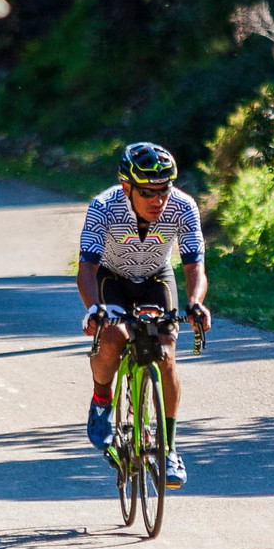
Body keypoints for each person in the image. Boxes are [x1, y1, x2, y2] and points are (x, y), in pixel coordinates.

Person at [78, 142, 210, 488]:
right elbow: (87, 268)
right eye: (148, 192)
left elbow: (195, 264)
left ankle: (168, 448)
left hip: (156, 278)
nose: (158, 200)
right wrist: (94, 308)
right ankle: (102, 399)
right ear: (127, 188)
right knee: (113, 335)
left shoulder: (183, 207)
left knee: (165, 352)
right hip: (112, 277)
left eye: (164, 190)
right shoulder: (103, 207)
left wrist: (195, 302)